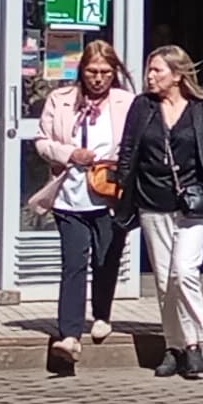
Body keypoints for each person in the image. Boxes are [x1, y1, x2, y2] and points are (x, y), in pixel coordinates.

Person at [116, 42, 203, 381]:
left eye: (157, 70)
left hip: (195, 201)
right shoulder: (143, 107)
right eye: (149, 70)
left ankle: (195, 343)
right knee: (163, 279)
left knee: (183, 271)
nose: (150, 76)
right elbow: (129, 151)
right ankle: (173, 347)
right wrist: (121, 192)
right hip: (153, 201)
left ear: (178, 74)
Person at [31, 33, 131, 375]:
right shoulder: (60, 100)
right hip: (70, 195)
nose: (98, 78)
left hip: (109, 195)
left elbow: (134, 143)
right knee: (74, 263)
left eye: (104, 71)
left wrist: (116, 162)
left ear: (114, 72)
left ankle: (102, 313)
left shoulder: (126, 102)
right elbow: (42, 142)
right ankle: (70, 335)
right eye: (92, 71)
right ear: (82, 71)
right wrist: (69, 153)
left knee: (106, 259)